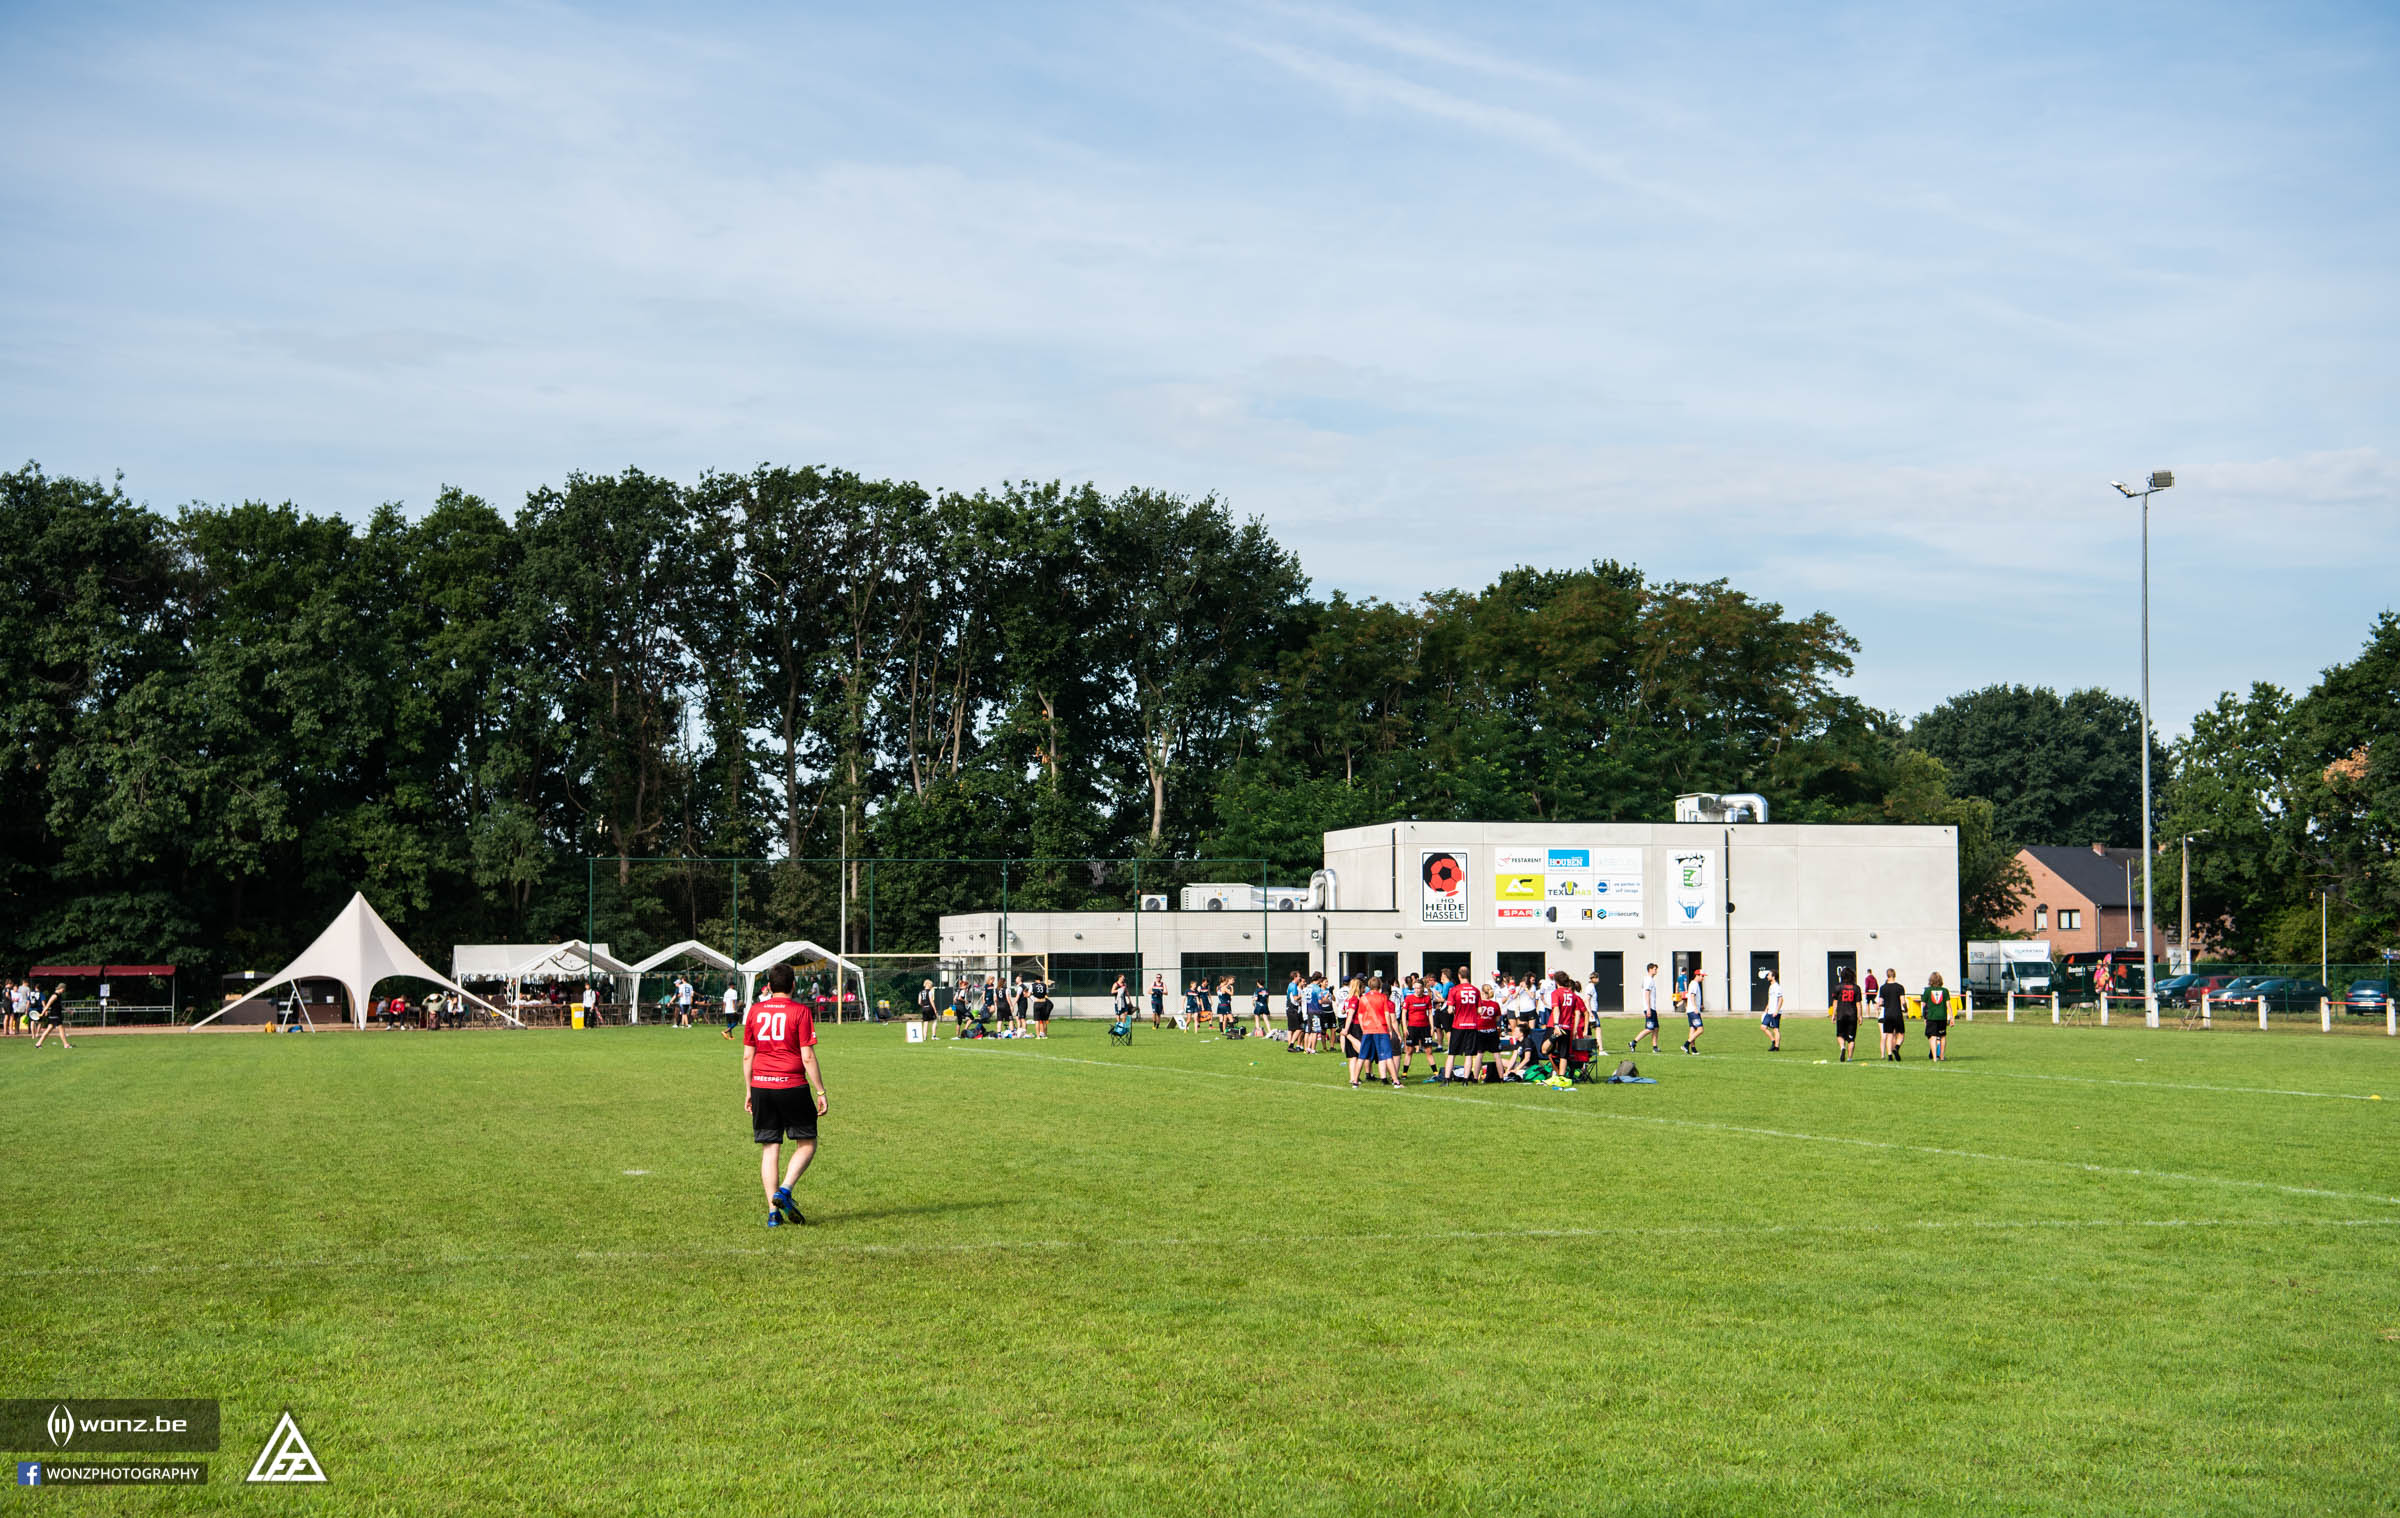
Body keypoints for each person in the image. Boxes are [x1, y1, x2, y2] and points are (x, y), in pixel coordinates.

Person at [742, 964, 826, 1230]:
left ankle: (772, 1213)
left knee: (770, 1148)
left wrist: (749, 1090)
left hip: (761, 1086)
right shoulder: (800, 1011)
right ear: (793, 985)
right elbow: (807, 1055)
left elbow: (747, 1055)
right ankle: (785, 1190)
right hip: (792, 1085)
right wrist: (821, 1090)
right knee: (807, 1143)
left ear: (767, 986)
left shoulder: (755, 1011)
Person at [1344, 977, 1404, 1088]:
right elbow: (1387, 1014)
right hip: (1381, 1029)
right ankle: (1396, 1081)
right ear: (1380, 985)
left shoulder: (1363, 998)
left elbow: (1361, 1016)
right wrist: (1390, 1030)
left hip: (1367, 1030)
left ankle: (1355, 1081)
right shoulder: (1382, 998)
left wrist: (1363, 1028)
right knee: (1387, 1056)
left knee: (1362, 1056)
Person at [1399, 975, 1435, 1075]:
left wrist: (1432, 1027)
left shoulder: (1427, 999)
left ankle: (1435, 1072)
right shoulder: (1409, 999)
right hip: (1412, 1027)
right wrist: (1405, 1028)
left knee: (1428, 1051)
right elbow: (1404, 1013)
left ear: (1422, 988)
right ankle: (1404, 1073)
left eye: (1419, 988)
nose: (1417, 990)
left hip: (1424, 1027)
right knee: (1409, 1051)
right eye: (1415, 988)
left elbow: (1430, 1013)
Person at [1632, 963, 1663, 1054]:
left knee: (1656, 1028)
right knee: (1649, 1028)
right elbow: (1646, 994)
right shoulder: (1648, 980)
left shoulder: (1650, 979)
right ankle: (1633, 1042)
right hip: (1649, 1008)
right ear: (1650, 969)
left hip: (1653, 1007)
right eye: (1654, 969)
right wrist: (1648, 1008)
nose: (1656, 971)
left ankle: (1655, 1046)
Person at [1879, 969, 1908, 1062]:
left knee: (1889, 1035)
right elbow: (1903, 1001)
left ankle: (1890, 1055)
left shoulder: (1883, 988)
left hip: (1887, 1014)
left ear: (1887, 975)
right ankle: (1896, 1047)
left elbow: (1880, 1002)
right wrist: (1906, 1008)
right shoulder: (1900, 987)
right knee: (1901, 1034)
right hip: (1897, 1013)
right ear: (1894, 975)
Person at [1833, 969, 1862, 1062]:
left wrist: (1833, 1014)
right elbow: (1858, 1004)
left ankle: (1842, 1047)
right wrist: (1860, 1016)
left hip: (1841, 1014)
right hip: (1852, 1015)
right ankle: (1849, 1058)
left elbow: (1835, 1002)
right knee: (1851, 1039)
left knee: (1840, 1035)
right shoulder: (1856, 988)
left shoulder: (1838, 987)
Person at [31, 982, 70, 1050]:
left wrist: (68, 1010)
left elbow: (60, 1005)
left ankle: (38, 1044)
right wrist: (42, 1013)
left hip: (56, 1015)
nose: (64, 991)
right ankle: (66, 1044)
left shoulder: (59, 995)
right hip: (55, 1015)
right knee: (61, 1029)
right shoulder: (54, 996)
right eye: (64, 989)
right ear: (61, 988)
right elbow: (48, 1005)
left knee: (48, 1030)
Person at [1922, 972, 1952, 1061]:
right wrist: (1951, 1017)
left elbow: (1923, 1005)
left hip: (1931, 1017)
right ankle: (1942, 1056)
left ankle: (1935, 1057)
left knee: (1933, 1037)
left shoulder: (1927, 991)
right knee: (1942, 1036)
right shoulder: (1945, 991)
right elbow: (1948, 1005)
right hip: (1942, 1017)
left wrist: (1924, 1017)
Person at [1681, 970, 1708, 1054]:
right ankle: (1686, 1044)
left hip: (1691, 1010)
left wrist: (1700, 1006)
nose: (1703, 978)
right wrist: (1696, 1008)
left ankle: (1693, 1049)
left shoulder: (1694, 984)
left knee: (1693, 1029)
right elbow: (1692, 996)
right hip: (1693, 1011)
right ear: (1697, 975)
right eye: (1702, 976)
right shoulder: (1694, 984)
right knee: (1700, 1029)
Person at [1760, 969, 1786, 1050]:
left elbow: (1781, 999)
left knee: (1775, 1029)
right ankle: (1773, 1041)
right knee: (1763, 1027)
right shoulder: (1771, 986)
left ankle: (1776, 1047)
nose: (1767, 976)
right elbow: (1770, 999)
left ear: (1773, 977)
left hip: (1775, 1012)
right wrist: (1766, 1009)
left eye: (1769, 975)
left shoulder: (1777, 987)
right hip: (1769, 1011)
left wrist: (1777, 1011)